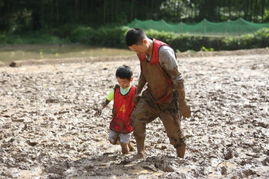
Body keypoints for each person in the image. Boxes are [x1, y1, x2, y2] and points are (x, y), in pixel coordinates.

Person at [125, 28, 191, 158]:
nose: (136, 52)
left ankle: (181, 158)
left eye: (137, 49)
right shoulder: (142, 53)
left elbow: (178, 78)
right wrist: (137, 92)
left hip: (169, 99)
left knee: (175, 135)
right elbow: (144, 73)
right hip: (151, 96)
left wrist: (183, 103)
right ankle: (140, 153)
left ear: (144, 42)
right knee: (136, 118)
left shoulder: (164, 52)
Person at [95, 65, 136, 155]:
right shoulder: (116, 90)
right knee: (112, 140)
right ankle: (128, 143)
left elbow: (140, 105)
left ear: (131, 80)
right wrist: (100, 107)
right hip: (117, 120)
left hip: (128, 121)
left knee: (123, 144)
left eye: (124, 82)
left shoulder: (134, 91)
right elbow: (107, 100)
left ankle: (125, 157)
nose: (122, 84)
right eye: (119, 82)